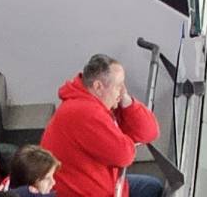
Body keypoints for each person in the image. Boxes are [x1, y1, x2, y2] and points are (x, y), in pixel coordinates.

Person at [38, 54, 163, 197]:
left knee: (151, 187)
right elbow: (123, 156)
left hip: (105, 184)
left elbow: (150, 132)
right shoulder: (84, 112)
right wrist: (128, 140)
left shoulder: (97, 103)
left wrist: (126, 101)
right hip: (82, 193)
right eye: (118, 86)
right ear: (98, 86)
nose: (122, 91)